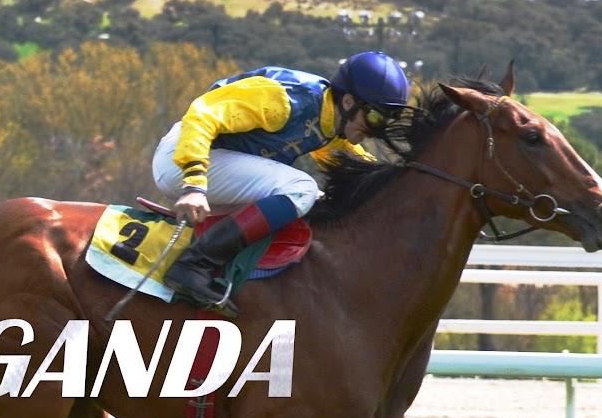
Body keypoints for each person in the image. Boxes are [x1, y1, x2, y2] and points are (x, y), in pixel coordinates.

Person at [153, 50, 412, 307]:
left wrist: (393, 186)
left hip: (209, 165)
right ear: (348, 102)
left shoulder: (329, 119)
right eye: (376, 117)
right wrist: (194, 184)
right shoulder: (285, 100)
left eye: (388, 121)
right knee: (302, 189)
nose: (377, 130)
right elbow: (201, 117)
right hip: (182, 160)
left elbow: (347, 160)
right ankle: (195, 263)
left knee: (318, 202)